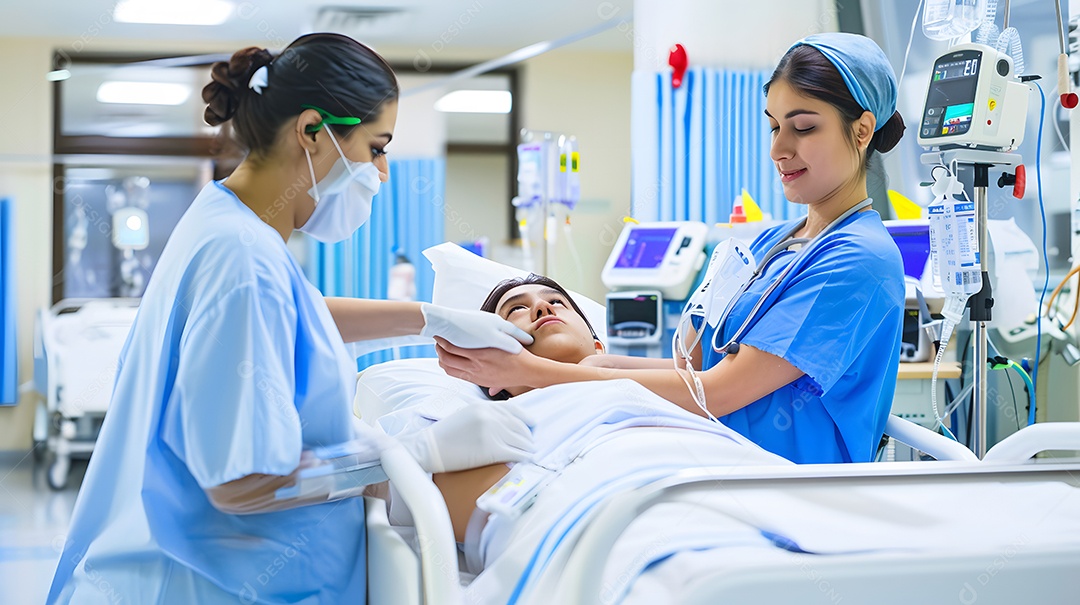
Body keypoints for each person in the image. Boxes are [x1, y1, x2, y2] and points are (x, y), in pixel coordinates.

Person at [49, 33, 536, 605]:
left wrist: (429, 318)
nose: (382, 173)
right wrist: (411, 455)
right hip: (210, 585)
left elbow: (288, 317)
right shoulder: (244, 262)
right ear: (311, 131)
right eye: (376, 147)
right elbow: (240, 485)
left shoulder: (227, 221)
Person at [436, 32, 907, 465]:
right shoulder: (772, 242)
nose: (778, 149)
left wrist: (534, 371)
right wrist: (597, 363)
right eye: (773, 127)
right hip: (712, 449)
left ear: (862, 130)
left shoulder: (858, 258)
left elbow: (718, 391)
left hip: (778, 475)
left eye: (802, 127)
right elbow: (692, 365)